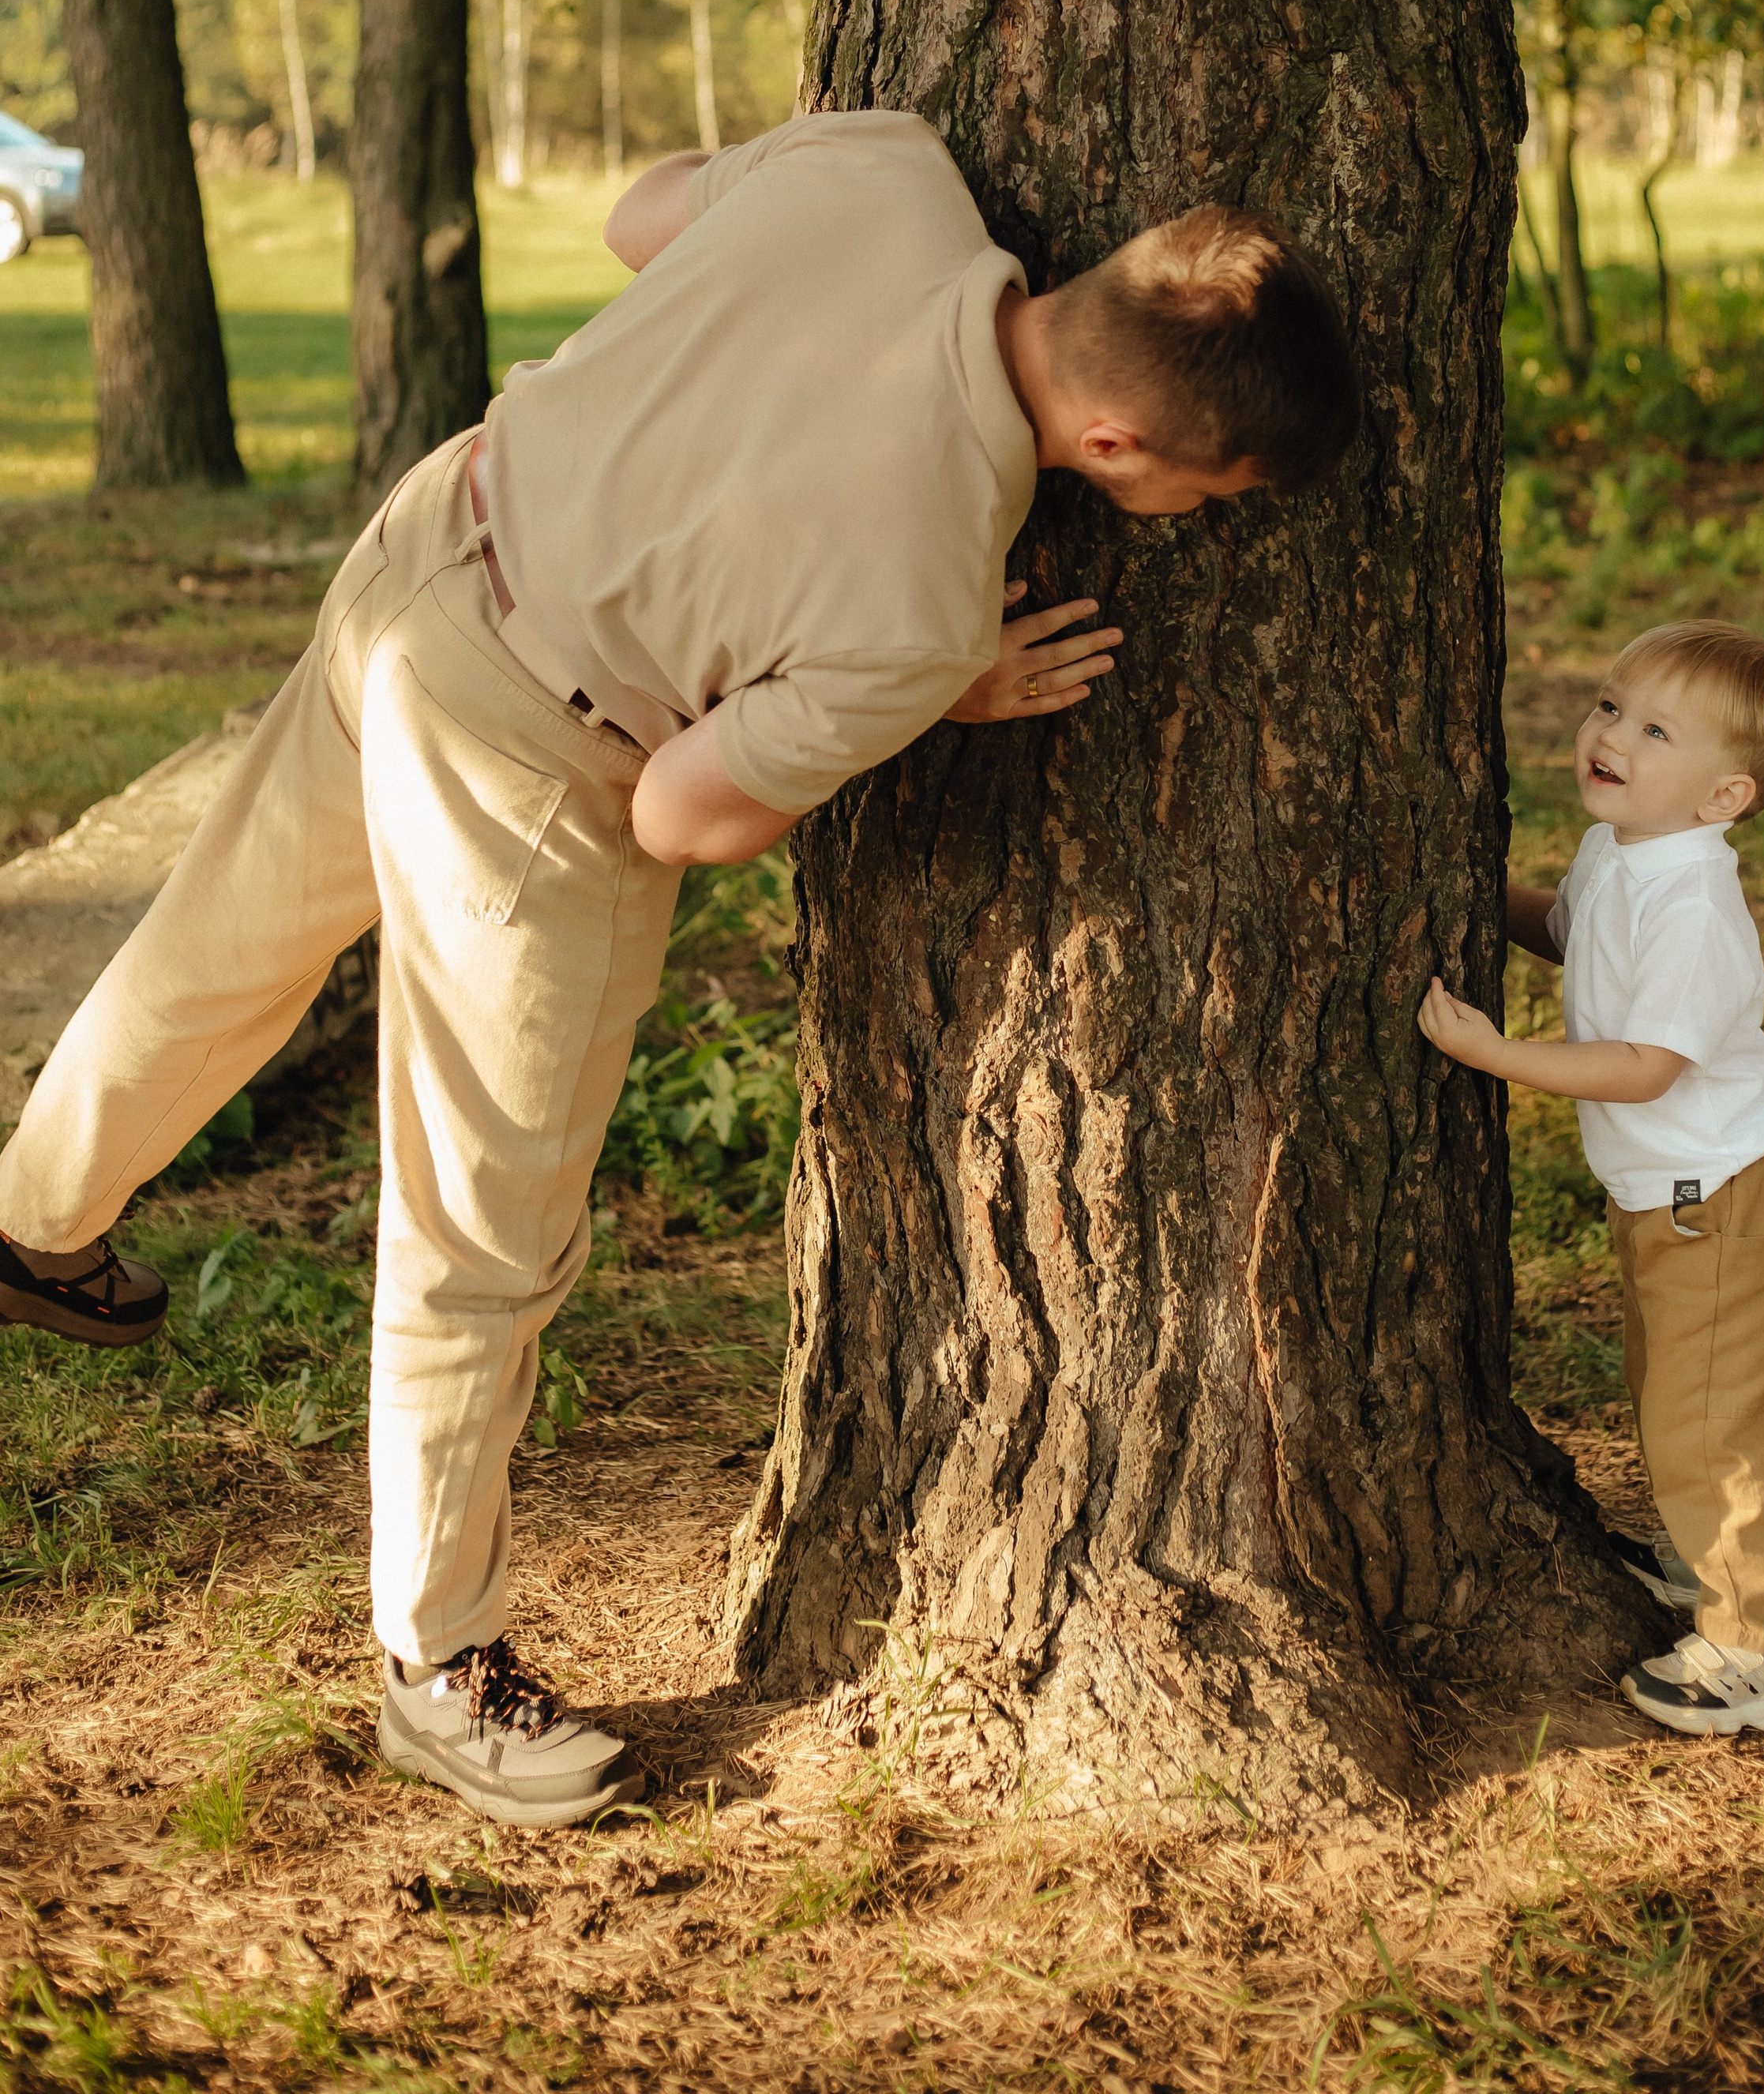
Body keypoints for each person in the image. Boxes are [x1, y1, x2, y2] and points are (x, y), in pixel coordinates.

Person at [0, 108, 1355, 1826]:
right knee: (484, 1228)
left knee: (217, 940)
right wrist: (929, 694)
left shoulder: (888, 172)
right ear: (1112, 439)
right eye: (1198, 490)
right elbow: (680, 807)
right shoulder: (927, 600)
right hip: (532, 759)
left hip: (434, 549)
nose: (1180, 514)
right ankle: (438, 1663)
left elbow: (647, 215)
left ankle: (36, 1212)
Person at [1419, 619, 1764, 1739]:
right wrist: (1493, 898)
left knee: (1709, 1425)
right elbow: (1572, 927)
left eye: (1655, 729)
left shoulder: (1694, 905)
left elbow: (1648, 1065)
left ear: (1723, 797)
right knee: (1674, 1394)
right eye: (1610, 706)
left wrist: (1500, 1056)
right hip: (1679, 1199)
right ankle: (1705, 1563)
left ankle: (1756, 1653)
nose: (1611, 736)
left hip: (1724, 1201)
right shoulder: (1623, 850)